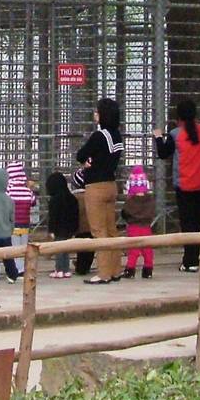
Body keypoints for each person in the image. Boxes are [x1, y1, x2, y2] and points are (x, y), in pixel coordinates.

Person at [153, 99, 200, 272]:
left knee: (187, 223)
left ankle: (190, 260)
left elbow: (163, 153)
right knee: (199, 221)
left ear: (178, 116)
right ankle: (196, 257)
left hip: (185, 184)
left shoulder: (175, 134)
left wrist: (158, 137)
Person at [76, 98, 124, 285]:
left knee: (98, 230)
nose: (95, 114)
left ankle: (103, 273)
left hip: (95, 186)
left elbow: (80, 154)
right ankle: (115, 270)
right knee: (112, 229)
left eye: (97, 112)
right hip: (111, 185)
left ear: (103, 114)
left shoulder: (99, 136)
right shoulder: (117, 135)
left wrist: (87, 160)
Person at [121, 164, 155, 279]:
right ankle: (148, 269)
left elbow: (124, 213)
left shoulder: (130, 201)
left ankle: (130, 269)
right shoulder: (149, 200)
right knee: (147, 249)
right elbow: (152, 213)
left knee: (133, 249)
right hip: (146, 226)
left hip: (133, 226)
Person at [45, 170, 80, 279]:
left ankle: (59, 269)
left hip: (58, 229)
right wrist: (75, 229)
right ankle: (66, 270)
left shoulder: (54, 200)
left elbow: (53, 216)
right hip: (70, 229)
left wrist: (51, 230)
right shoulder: (72, 198)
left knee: (59, 250)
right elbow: (76, 215)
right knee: (66, 250)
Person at [6, 159, 33, 273]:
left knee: (15, 247)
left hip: (13, 224)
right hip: (25, 224)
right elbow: (33, 202)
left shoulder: (9, 189)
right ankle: (23, 268)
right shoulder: (27, 190)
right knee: (24, 246)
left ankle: (17, 269)